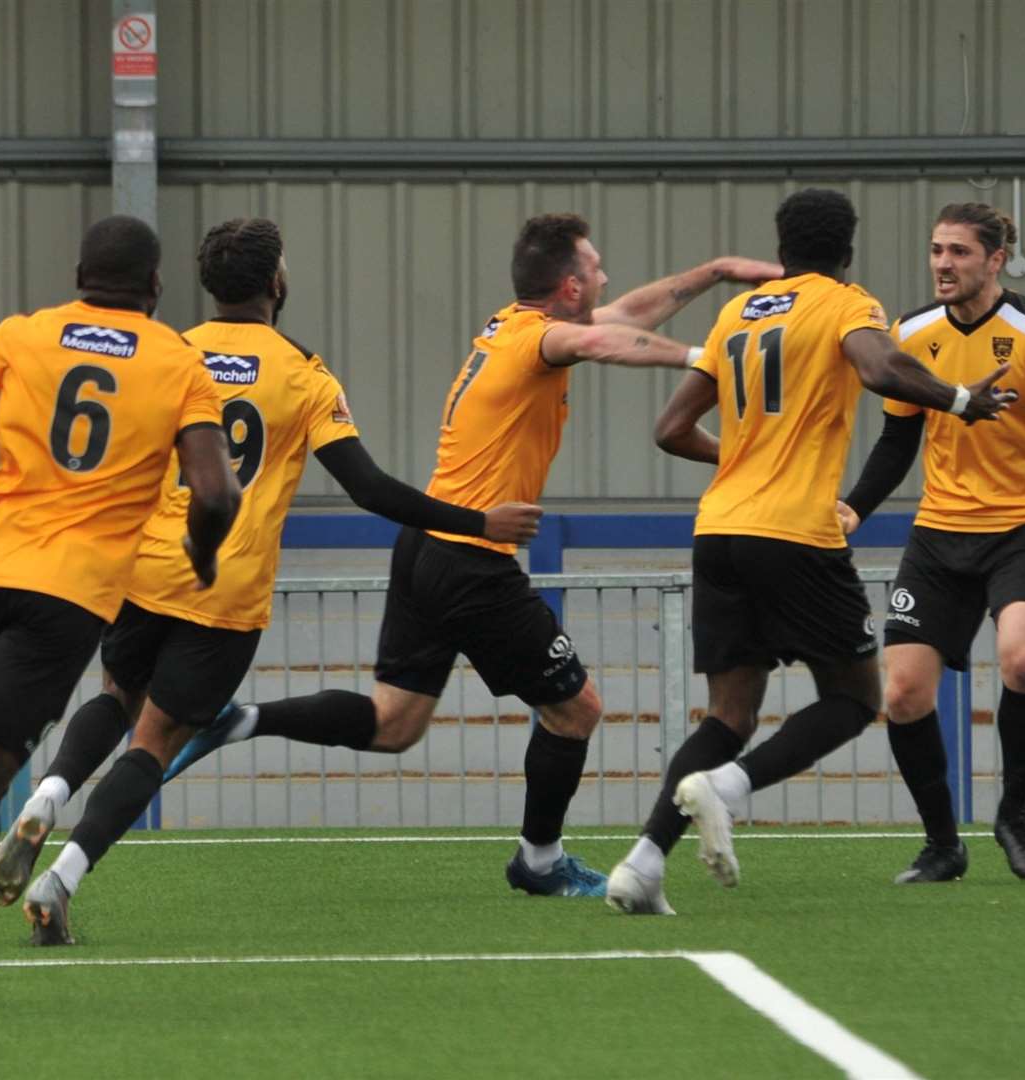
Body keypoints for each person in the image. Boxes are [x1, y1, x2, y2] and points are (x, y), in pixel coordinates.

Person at [164, 213, 784, 899]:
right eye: (595, 267)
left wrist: (714, 272)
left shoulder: (512, 328)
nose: (605, 277)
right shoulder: (541, 342)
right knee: (575, 710)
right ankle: (540, 861)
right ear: (570, 286)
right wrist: (701, 357)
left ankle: (241, 718)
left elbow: (622, 315)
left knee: (393, 725)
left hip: (425, 553)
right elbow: (609, 339)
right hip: (470, 564)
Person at [0, 218, 542, 943]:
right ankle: (62, 880)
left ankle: (48, 793)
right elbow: (368, 488)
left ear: (207, 284)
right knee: (154, 741)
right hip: (226, 589)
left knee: (118, 696)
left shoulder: (172, 353)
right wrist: (477, 522)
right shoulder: (304, 374)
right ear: (276, 282)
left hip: (146, 565)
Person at [0, 216, 239, 1000]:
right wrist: (200, 551)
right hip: (67, 592)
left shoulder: (18, 336)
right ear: (157, 287)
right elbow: (217, 489)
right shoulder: (178, 360)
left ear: (79, 272)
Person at [605, 188, 1016, 915]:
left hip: (719, 530)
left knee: (728, 716)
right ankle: (728, 789)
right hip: (795, 533)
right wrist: (958, 400)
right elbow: (881, 371)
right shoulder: (846, 303)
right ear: (845, 250)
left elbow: (670, 429)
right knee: (856, 696)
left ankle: (641, 865)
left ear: (781, 247)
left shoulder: (738, 311)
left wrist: (743, 458)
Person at [831, 202, 1025, 885]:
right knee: (905, 694)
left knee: (1021, 664)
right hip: (940, 533)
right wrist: (853, 508)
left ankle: (1013, 814)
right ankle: (941, 844)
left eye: (958, 252)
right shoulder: (911, 333)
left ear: (994, 259)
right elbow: (896, 442)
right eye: (935, 250)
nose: (943, 264)